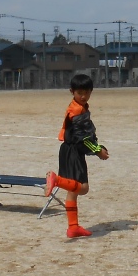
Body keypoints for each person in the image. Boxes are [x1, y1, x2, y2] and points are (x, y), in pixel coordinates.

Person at [43, 72, 109, 239]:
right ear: (72, 92)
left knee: (72, 191)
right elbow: (83, 137)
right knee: (83, 188)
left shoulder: (76, 106)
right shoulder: (78, 111)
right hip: (73, 151)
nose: (84, 96)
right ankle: (56, 180)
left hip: (67, 149)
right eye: (80, 93)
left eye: (87, 92)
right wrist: (97, 151)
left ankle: (73, 227)